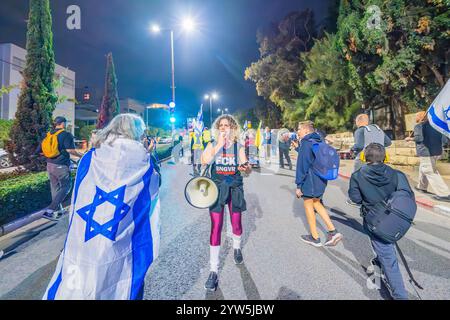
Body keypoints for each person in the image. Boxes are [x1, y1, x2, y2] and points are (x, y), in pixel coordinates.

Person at [43, 114, 161, 300]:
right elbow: (154, 184)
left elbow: (81, 190)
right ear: (137, 132)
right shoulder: (143, 159)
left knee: (88, 277)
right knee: (125, 276)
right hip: (120, 231)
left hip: (87, 234)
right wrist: (150, 153)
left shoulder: (92, 156)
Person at [348, 143, 411, 300]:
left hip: (373, 221)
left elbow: (355, 198)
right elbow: (407, 195)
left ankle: (400, 296)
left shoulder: (357, 175)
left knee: (388, 257)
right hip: (394, 219)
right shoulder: (397, 174)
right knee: (385, 250)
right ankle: (378, 261)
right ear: (385, 157)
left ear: (364, 157)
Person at [201, 114, 252, 291]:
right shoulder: (212, 145)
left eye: (227, 125)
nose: (224, 128)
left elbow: (247, 169)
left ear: (232, 128)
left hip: (235, 188)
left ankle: (237, 247)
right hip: (217, 189)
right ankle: (213, 271)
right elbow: (205, 160)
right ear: (218, 128)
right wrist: (219, 145)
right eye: (221, 125)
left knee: (236, 224)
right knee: (216, 227)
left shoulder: (238, 147)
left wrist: (246, 168)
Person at [294, 121, 343, 247]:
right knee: (316, 202)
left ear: (305, 131)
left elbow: (302, 165)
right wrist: (297, 148)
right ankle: (333, 231)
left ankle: (315, 237)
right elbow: (312, 156)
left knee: (308, 204)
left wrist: (299, 185)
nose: (297, 131)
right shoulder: (318, 139)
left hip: (310, 180)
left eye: (299, 129)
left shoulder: (305, 142)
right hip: (320, 179)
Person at [39, 116, 84, 221]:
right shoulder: (66, 134)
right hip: (61, 165)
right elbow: (70, 150)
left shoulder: (48, 134)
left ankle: (58, 211)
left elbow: (40, 149)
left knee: (55, 188)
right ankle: (49, 211)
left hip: (50, 165)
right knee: (66, 187)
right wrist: (82, 155)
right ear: (63, 123)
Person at [405, 111, 450, 201]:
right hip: (437, 151)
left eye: (416, 116)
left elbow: (419, 138)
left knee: (430, 171)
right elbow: (445, 140)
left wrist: (410, 138)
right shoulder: (435, 126)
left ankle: (444, 194)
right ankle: (422, 187)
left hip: (426, 152)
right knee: (423, 168)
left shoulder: (418, 126)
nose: (415, 118)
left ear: (419, 117)